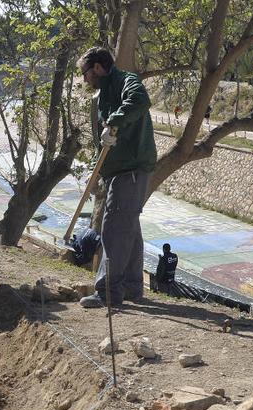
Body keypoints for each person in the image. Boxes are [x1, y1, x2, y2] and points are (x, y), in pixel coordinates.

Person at [76, 47, 157, 309]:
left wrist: (115, 121)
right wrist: (97, 171)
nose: (85, 79)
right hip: (118, 171)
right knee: (129, 228)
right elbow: (105, 141)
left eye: (86, 73)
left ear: (98, 68)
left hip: (131, 170)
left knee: (113, 230)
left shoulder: (127, 82)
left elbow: (140, 101)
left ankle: (108, 293)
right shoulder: (104, 94)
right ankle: (133, 288)